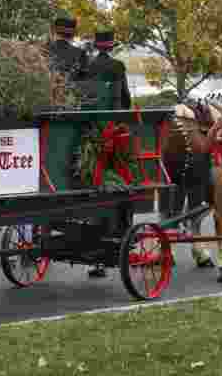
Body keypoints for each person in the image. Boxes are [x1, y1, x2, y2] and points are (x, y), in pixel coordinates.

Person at [82, 29, 131, 278]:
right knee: (126, 177)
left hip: (88, 130)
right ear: (111, 46)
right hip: (110, 130)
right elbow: (124, 99)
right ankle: (121, 234)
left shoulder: (87, 65)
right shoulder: (118, 67)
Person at [84, 30, 131, 110]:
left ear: (97, 47)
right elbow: (125, 94)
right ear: (111, 48)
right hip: (114, 111)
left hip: (92, 111)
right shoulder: (118, 65)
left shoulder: (88, 65)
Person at [46, 16, 88, 82]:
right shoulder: (81, 54)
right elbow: (83, 81)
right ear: (73, 35)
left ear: (55, 32)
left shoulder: (42, 50)